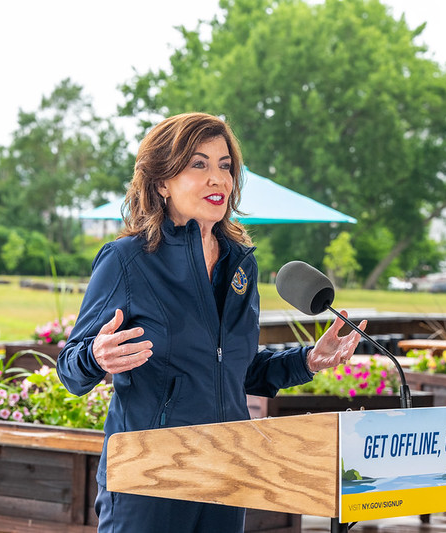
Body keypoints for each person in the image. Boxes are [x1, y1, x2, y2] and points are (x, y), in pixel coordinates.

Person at [57, 112, 366, 533]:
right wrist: (95, 356)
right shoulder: (127, 261)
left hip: (226, 466)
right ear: (162, 182)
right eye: (198, 164)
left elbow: (235, 368)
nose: (217, 179)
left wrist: (309, 360)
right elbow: (69, 369)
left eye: (225, 166)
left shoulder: (239, 265)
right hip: (151, 474)